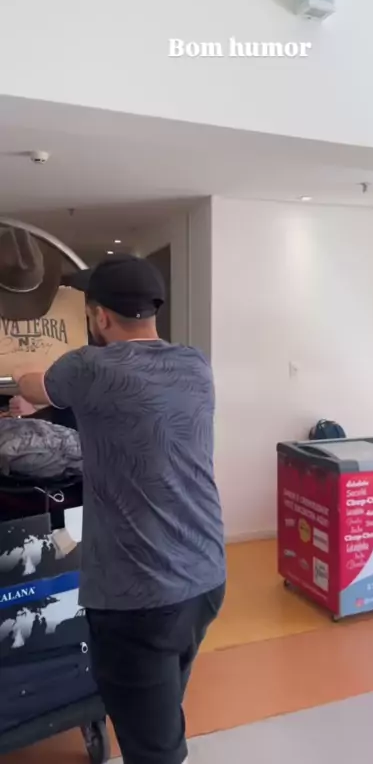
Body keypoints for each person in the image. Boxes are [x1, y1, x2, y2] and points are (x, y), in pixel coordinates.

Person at [13, 253, 226, 764]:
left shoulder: (88, 367)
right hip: (205, 578)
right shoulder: (195, 363)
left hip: (139, 598)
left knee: (152, 746)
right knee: (159, 707)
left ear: (100, 317)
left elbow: (34, 385)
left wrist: (23, 386)